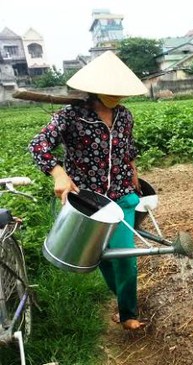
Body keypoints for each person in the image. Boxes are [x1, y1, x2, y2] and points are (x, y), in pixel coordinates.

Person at [28, 51, 148, 330]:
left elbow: (128, 150)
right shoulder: (71, 116)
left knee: (125, 255)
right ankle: (121, 298)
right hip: (88, 202)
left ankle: (129, 313)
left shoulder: (124, 116)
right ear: (94, 90)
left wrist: (134, 176)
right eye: (111, 91)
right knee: (101, 257)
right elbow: (38, 145)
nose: (117, 97)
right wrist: (58, 173)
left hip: (121, 197)